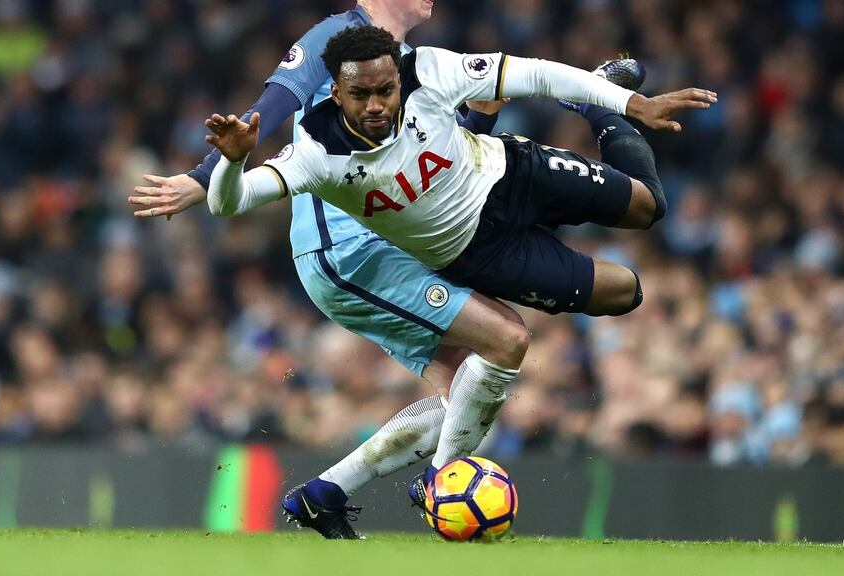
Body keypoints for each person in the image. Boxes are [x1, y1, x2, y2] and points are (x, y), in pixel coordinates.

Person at [204, 24, 714, 526]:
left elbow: (532, 74)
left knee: (648, 207)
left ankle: (596, 106)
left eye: (386, 90)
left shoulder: (426, 68)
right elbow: (230, 202)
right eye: (361, 95)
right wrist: (232, 161)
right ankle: (393, 483)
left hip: (512, 173)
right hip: (481, 254)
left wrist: (631, 105)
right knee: (623, 291)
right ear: (336, 94)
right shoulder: (317, 153)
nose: (377, 104)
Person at [130, 1, 527, 540]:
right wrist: (206, 177)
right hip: (346, 250)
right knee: (504, 339)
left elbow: (437, 155)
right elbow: (276, 102)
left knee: (460, 390)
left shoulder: (408, 62)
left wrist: (482, 114)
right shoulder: (339, 35)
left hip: (387, 246)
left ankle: (325, 496)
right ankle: (437, 486)